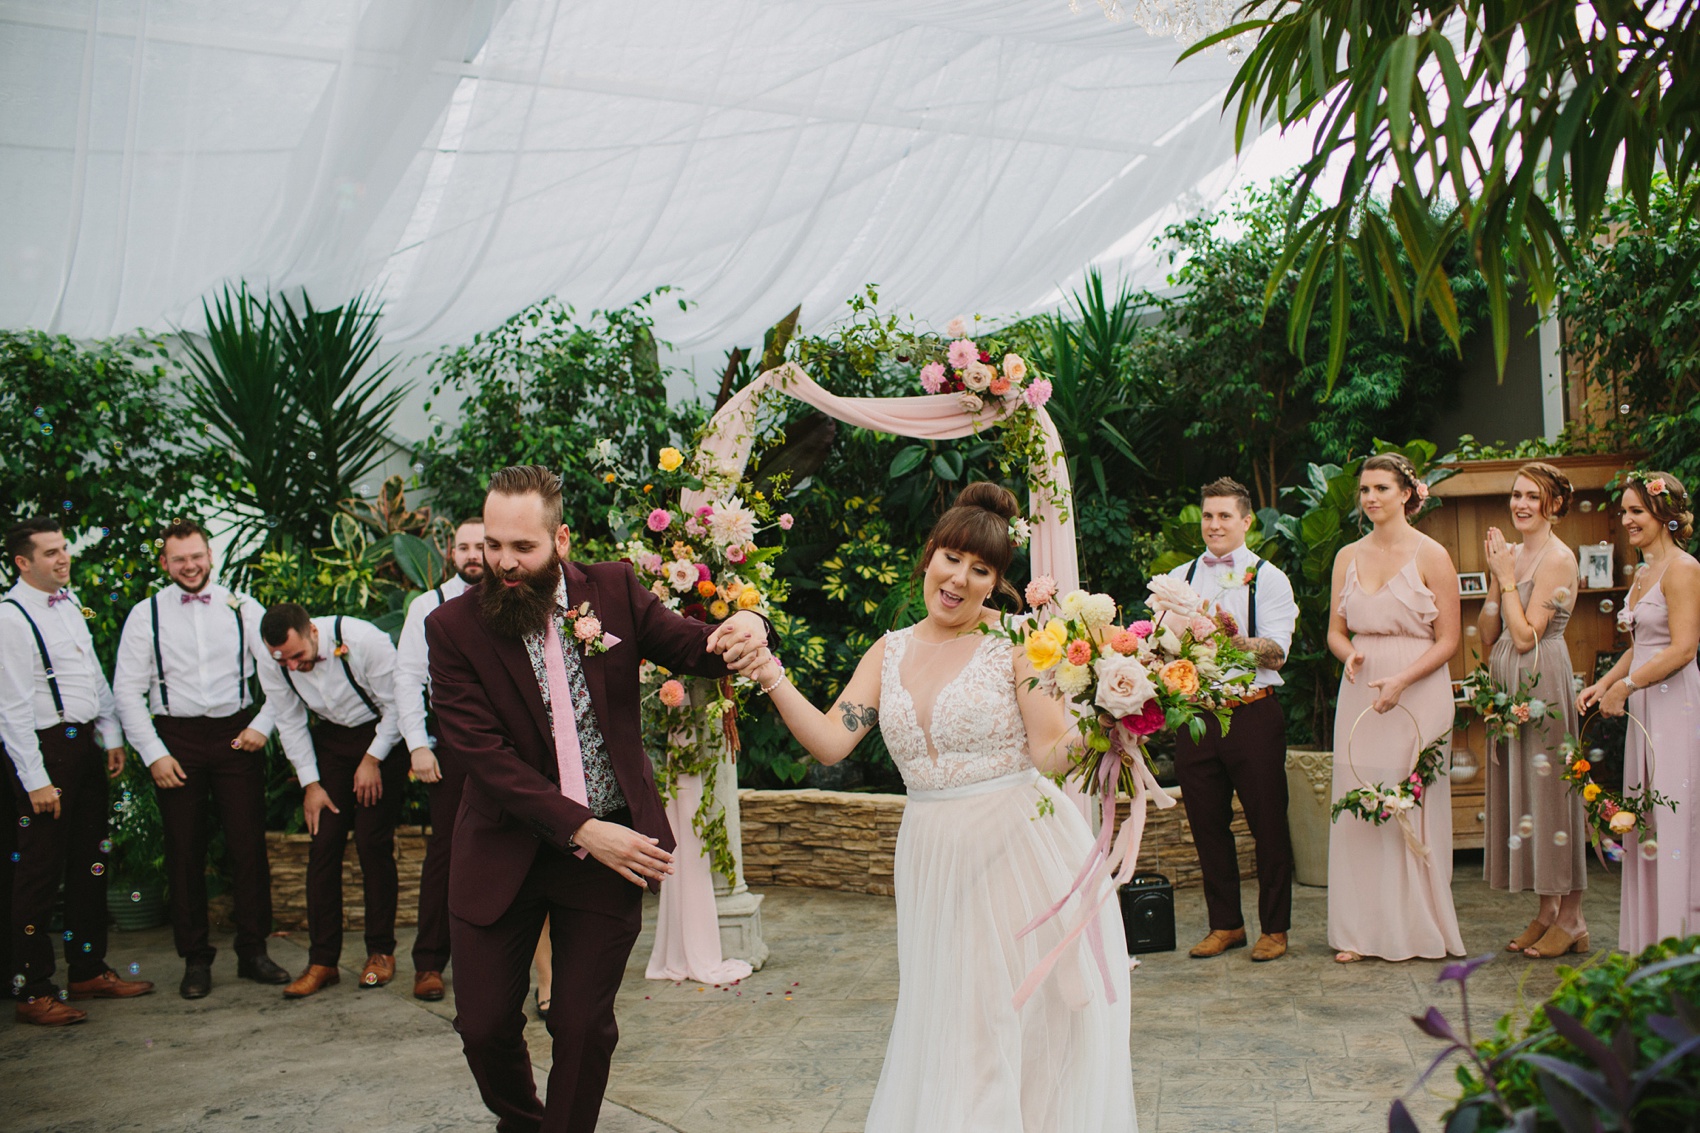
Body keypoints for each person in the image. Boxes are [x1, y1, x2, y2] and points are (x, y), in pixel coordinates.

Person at [743, 482, 1137, 1133]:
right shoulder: (888, 650)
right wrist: (769, 671)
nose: (960, 577)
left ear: (995, 582)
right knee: (956, 1015)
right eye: (951, 558)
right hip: (929, 851)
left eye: (981, 569)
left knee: (995, 1016)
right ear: (928, 556)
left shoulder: (1018, 643)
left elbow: (1049, 751)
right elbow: (831, 740)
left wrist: (1112, 722)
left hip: (1014, 846)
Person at [425, 464, 771, 1133]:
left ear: (561, 540)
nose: (501, 562)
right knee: (484, 1025)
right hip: (504, 847)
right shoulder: (452, 627)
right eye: (492, 544)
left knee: (582, 1024)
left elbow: (695, 647)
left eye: (520, 547)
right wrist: (583, 827)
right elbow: (482, 756)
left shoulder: (612, 588)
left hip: (614, 848)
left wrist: (750, 624)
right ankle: (523, 1120)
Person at [112, 519, 291, 998]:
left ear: (209, 556)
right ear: (165, 563)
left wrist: (261, 725)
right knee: (184, 851)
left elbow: (279, 677)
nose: (189, 566)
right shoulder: (144, 615)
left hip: (236, 735)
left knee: (247, 846)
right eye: (179, 559)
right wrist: (154, 754)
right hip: (177, 738)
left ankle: (254, 951)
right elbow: (126, 692)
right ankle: (195, 959)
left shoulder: (243, 608)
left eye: (196, 556)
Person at [1, 517, 154, 1025]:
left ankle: (87, 969)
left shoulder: (69, 604)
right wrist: (35, 778)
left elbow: (92, 674)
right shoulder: (10, 617)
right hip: (44, 750)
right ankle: (31, 988)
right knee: (38, 874)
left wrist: (110, 738)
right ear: (23, 562)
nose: (63, 558)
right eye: (49, 552)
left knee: (91, 860)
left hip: (83, 743)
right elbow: (12, 709)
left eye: (64, 548)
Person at [1326, 454, 1465, 963]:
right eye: (1365, 489)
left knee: (1411, 803)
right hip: (1362, 686)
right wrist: (1351, 654)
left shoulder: (1433, 555)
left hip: (1418, 687)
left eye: (1381, 487)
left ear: (1407, 493)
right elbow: (1335, 632)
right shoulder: (1347, 555)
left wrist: (1402, 680)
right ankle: (1361, 932)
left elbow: (1449, 640)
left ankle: (1417, 927)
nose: (1370, 497)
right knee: (1361, 798)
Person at [1160, 477, 1297, 963]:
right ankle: (1226, 925)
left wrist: (1226, 637)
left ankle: (1275, 929)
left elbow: (1277, 653)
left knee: (1268, 824)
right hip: (1196, 718)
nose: (1214, 524)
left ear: (1245, 522)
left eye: (1224, 516)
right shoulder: (1179, 576)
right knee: (1206, 825)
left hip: (1253, 713)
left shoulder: (1269, 578)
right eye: (1208, 516)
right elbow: (1160, 644)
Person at [257, 601, 404, 998]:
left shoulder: (361, 640)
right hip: (333, 745)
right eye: (281, 660)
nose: (291, 666)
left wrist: (372, 759)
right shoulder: (275, 660)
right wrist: (311, 784)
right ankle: (323, 961)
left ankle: (380, 953)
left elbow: (398, 706)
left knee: (373, 843)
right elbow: (288, 720)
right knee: (323, 845)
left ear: (313, 634)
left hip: (383, 737)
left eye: (297, 656)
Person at [1578, 470, 1699, 953]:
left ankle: (1682, 939)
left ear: (1665, 516)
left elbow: (1685, 647)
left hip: (1676, 706)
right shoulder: (1644, 572)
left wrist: (1625, 686)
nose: (1627, 520)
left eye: (1637, 511)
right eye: (1624, 511)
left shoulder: (1684, 569)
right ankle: (1651, 940)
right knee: (1645, 818)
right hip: (1645, 703)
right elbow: (1643, 645)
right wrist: (1604, 684)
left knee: (1673, 818)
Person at [1476, 464, 1587, 958]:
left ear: (1554, 505)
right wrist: (1496, 584)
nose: (1521, 504)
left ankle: (1574, 917)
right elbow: (1490, 632)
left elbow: (1526, 638)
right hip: (1508, 688)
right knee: (1528, 801)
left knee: (1552, 798)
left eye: (1533, 497)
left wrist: (1505, 580)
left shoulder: (1558, 559)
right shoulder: (1513, 555)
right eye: (1516, 495)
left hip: (1545, 685)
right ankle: (1546, 911)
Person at [395, 516, 485, 1002]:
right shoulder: (426, 606)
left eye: (481, 546)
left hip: (510, 745)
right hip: (449, 748)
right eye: (464, 547)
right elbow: (407, 679)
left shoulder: (511, 598)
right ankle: (429, 962)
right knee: (447, 853)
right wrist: (418, 745)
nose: (473, 554)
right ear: (451, 553)